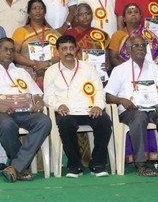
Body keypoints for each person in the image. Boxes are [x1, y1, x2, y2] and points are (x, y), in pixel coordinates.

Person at [0, 37, 51, 182]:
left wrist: (39, 102)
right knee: (7, 125)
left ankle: (16, 167)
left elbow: (36, 94)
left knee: (44, 121)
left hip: (24, 111)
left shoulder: (22, 73)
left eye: (12, 50)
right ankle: (21, 166)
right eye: (5, 49)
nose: (9, 53)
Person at [105, 35, 158, 176]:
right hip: (131, 111)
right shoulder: (120, 70)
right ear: (128, 50)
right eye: (136, 46)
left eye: (143, 45)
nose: (140, 48)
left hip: (154, 108)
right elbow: (108, 96)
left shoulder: (156, 69)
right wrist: (121, 100)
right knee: (139, 117)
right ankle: (141, 164)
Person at [44, 35, 112, 178]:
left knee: (104, 121)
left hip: (89, 110)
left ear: (76, 49)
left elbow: (99, 90)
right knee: (64, 123)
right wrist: (58, 105)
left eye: (70, 48)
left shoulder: (88, 68)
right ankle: (75, 165)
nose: (68, 52)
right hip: (67, 112)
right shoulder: (51, 71)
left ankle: (98, 164)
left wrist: (98, 106)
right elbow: (48, 96)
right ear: (57, 51)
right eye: (64, 49)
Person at [11, 0, 59, 89]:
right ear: (28, 13)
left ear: (45, 12)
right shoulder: (20, 31)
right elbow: (14, 54)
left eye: (41, 8)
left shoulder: (53, 33)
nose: (38, 11)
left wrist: (46, 63)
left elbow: (63, 54)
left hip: (51, 75)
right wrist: (34, 64)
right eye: (34, 8)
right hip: (26, 75)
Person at [107, 3, 158, 70]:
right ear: (124, 19)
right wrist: (128, 70)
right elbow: (113, 58)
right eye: (129, 12)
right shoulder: (118, 35)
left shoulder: (147, 33)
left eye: (136, 12)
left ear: (140, 16)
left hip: (147, 69)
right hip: (126, 71)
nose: (133, 14)